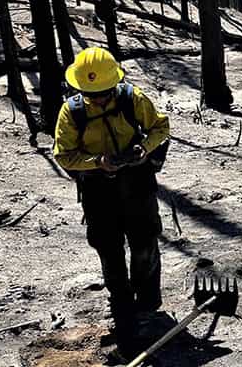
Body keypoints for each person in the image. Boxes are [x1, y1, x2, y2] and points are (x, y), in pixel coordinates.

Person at [53, 47, 170, 359]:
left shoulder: (133, 98)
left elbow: (161, 127)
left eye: (104, 93)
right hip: (98, 193)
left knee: (145, 244)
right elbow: (63, 154)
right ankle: (122, 306)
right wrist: (97, 162)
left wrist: (144, 148)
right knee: (109, 251)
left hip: (137, 185)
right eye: (93, 95)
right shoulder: (72, 112)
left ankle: (147, 304)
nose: (100, 99)